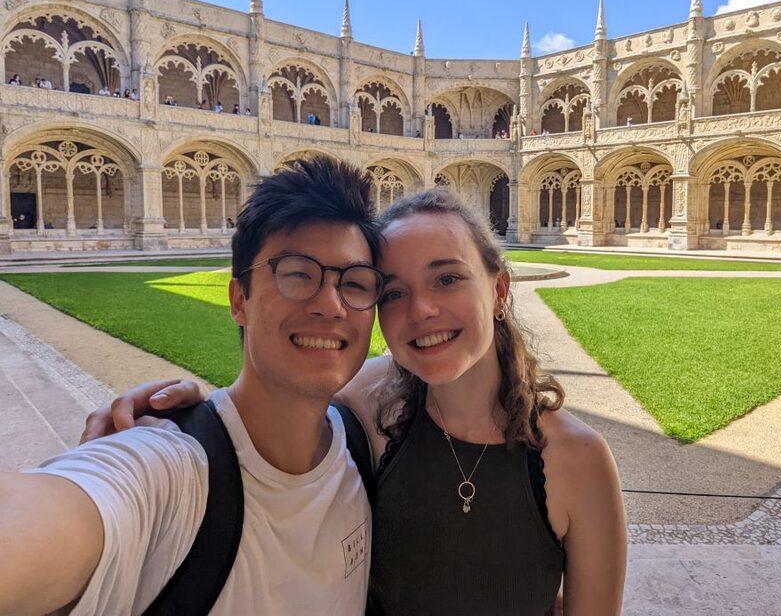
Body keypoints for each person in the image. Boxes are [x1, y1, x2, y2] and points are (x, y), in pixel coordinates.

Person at [89, 190, 627, 615]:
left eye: (447, 278)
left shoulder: (577, 459)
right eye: (392, 292)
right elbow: (270, 401)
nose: (421, 311)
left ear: (500, 288)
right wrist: (188, 409)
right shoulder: (372, 404)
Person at [0, 157, 382, 615]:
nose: (331, 305)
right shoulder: (168, 470)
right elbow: (41, 519)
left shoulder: (366, 442)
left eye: (356, 283)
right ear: (239, 300)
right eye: (298, 273)